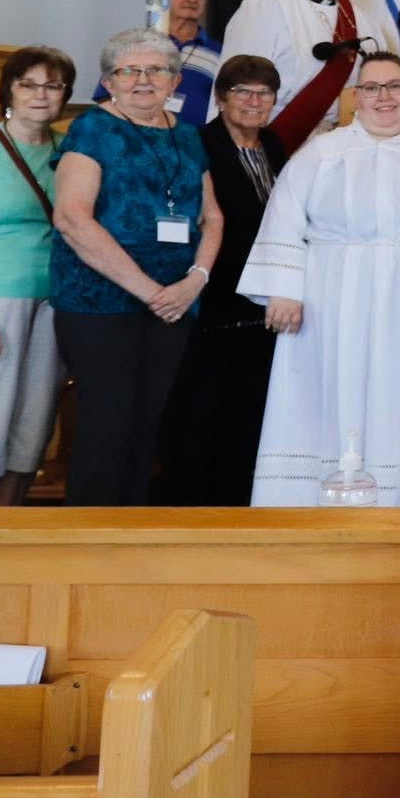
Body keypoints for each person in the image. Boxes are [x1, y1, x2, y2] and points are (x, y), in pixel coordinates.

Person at [240, 53, 400, 509]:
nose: (383, 97)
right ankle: (318, 502)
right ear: (355, 98)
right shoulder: (321, 154)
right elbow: (286, 217)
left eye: (393, 86)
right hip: (334, 299)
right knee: (333, 389)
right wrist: (284, 289)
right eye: (371, 88)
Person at [50, 30, 223, 505]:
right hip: (100, 304)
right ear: (109, 80)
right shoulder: (92, 129)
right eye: (130, 71)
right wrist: (151, 291)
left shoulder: (186, 134)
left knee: (147, 426)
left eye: (157, 70)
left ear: (176, 80)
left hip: (173, 305)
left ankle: (127, 541)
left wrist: (196, 280)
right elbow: (71, 218)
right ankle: (84, 546)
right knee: (108, 426)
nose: (144, 80)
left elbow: (212, 217)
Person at [156, 56, 287, 506]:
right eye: (243, 92)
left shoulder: (274, 143)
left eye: (264, 93)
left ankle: (237, 512)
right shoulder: (198, 143)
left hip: (262, 304)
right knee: (199, 414)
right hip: (210, 297)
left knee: (248, 414)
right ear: (221, 97)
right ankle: (190, 516)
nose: (254, 101)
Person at [0, 47, 73, 506]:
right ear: (8, 89)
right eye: (29, 84)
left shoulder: (68, 151)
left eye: (53, 85)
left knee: (33, 422)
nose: (40, 95)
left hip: (52, 303)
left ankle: (10, 527)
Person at [221, 0, 360, 147]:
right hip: (275, 133)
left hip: (335, 138)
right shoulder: (265, 4)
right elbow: (238, 78)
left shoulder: (354, 13)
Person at [89, 0, 221, 124]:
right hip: (134, 137)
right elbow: (106, 96)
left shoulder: (219, 52)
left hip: (194, 141)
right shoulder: (136, 45)